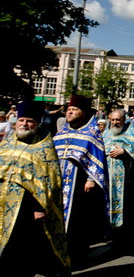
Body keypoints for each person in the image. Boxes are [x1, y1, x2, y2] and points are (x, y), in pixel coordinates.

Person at [0, 101, 69, 275]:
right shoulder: (6, 143)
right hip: (2, 204)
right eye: (21, 120)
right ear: (15, 122)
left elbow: (50, 182)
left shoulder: (44, 148)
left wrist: (40, 208)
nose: (24, 124)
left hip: (26, 209)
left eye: (29, 121)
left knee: (21, 249)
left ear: (37, 123)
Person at [53, 94, 109, 265]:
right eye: (69, 110)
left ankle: (76, 254)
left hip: (79, 184)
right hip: (59, 183)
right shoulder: (63, 132)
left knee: (77, 220)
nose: (69, 113)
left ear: (83, 113)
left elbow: (97, 157)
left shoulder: (91, 133)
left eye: (74, 110)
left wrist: (92, 179)